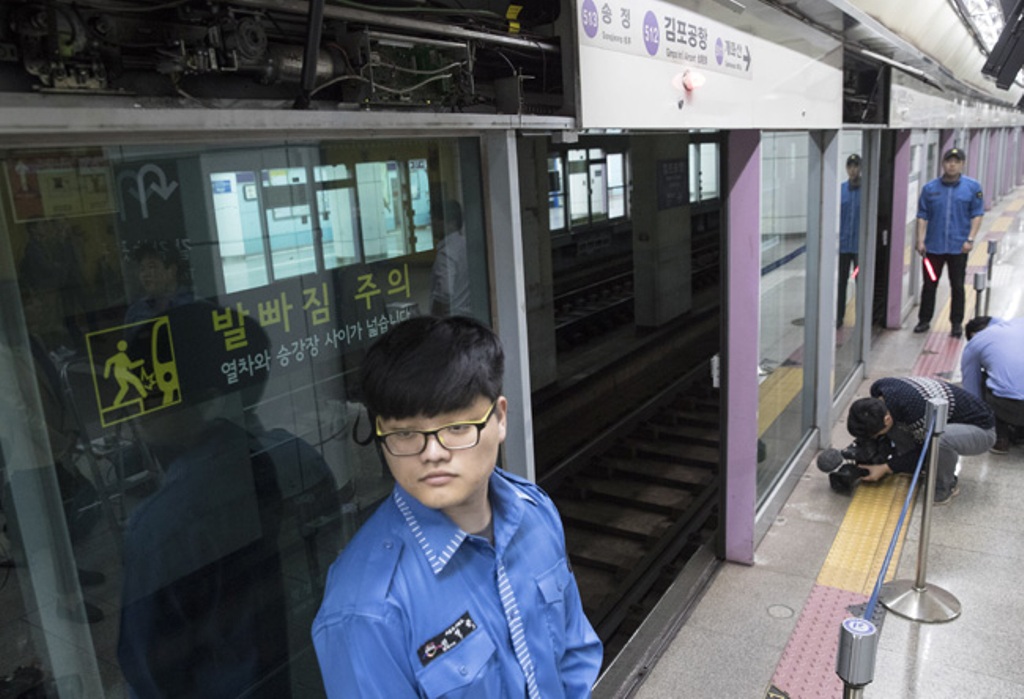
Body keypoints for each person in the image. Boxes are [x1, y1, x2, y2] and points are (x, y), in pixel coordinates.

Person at [312, 316, 602, 698]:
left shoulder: (535, 511)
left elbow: (574, 650)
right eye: (405, 433)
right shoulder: (366, 608)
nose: (433, 453)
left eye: (457, 428)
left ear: (499, 418)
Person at [845, 376, 996, 504]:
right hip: (944, 416)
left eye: (876, 434)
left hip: (981, 430)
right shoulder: (880, 390)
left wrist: (886, 467)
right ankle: (924, 467)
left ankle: (944, 486)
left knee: (939, 439)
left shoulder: (918, 412)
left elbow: (922, 451)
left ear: (887, 418)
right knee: (899, 429)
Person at [912, 147, 984, 338]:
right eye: (949, 161)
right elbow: (922, 215)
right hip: (933, 248)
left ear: (962, 164)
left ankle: (956, 323)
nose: (952, 165)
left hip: (958, 248)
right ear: (943, 164)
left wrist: (970, 239)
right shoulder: (930, 189)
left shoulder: (973, 187)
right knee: (929, 285)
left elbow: (977, 214)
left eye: (956, 161)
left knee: (957, 286)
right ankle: (924, 320)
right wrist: (920, 240)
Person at [961, 315, 1024, 454]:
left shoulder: (976, 341)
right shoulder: (1019, 322)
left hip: (1011, 407)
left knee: (985, 377)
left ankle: (1000, 439)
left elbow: (972, 394)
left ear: (973, 335)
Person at [123, 243, 193, 327]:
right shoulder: (136, 311)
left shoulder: (192, 303)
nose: (145, 274)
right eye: (142, 269)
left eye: (152, 267)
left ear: (172, 270)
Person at [429, 199, 472, 317]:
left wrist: (434, 320)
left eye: (436, 221)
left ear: (451, 223)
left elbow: (445, 292)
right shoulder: (465, 245)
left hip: (453, 320)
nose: (432, 225)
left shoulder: (446, 253)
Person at [837, 154, 862, 330]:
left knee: (861, 281)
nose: (853, 170)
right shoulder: (841, 190)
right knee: (842, 282)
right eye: (850, 166)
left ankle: (861, 317)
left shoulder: (867, 189)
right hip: (844, 246)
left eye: (856, 166)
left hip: (860, 247)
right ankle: (839, 317)